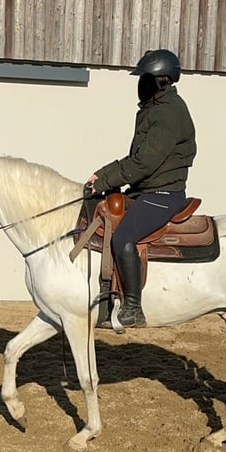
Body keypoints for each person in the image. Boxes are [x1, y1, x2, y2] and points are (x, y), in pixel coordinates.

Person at [86, 49, 197, 328]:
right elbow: (135, 160)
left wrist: (104, 181)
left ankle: (133, 308)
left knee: (123, 238)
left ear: (161, 81)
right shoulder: (154, 109)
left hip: (162, 195)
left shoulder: (168, 113)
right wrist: (101, 175)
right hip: (145, 191)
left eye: (145, 79)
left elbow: (144, 163)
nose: (140, 84)